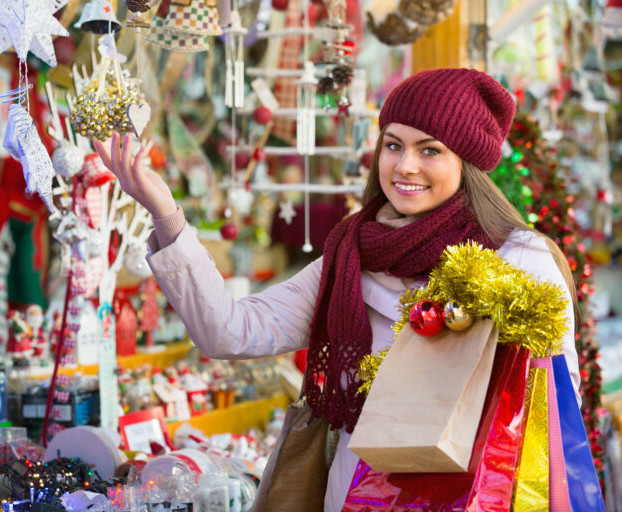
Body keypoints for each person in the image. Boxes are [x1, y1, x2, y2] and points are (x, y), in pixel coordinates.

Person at [94, 68, 580, 512]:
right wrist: (167, 215)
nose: (405, 166)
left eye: (430, 150)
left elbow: (552, 417)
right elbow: (229, 332)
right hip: (355, 493)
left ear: (467, 162)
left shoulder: (519, 259)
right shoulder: (351, 252)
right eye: (393, 145)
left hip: (472, 497)